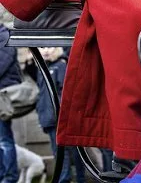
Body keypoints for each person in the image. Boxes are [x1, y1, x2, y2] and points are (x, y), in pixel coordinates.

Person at [32, 47, 86, 183]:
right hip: (49, 118)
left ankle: (70, 179)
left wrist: (61, 115)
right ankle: (67, 178)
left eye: (50, 47)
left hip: (59, 118)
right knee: (59, 152)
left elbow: (64, 93)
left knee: (69, 152)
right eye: (42, 48)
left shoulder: (60, 65)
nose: (46, 51)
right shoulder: (43, 68)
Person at [0, 23, 20, 183]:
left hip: (3, 96)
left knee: (4, 140)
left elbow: (2, 63)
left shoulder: (4, 35)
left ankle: (10, 177)